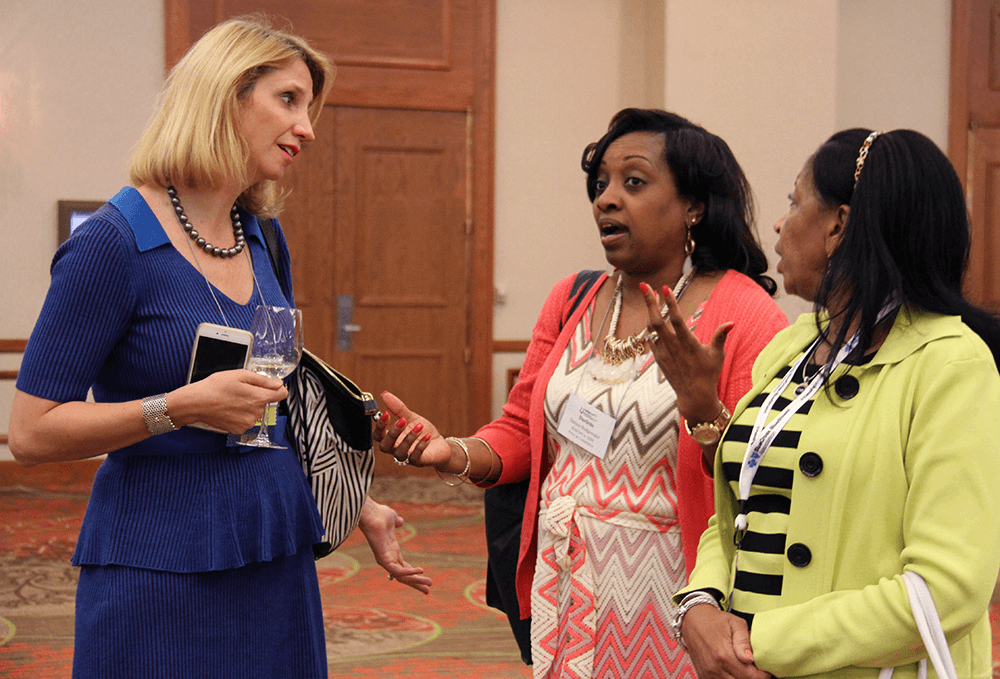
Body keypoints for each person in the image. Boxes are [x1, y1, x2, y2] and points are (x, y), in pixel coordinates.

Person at [8, 17, 429, 679]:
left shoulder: (262, 236)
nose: (307, 128)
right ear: (225, 96)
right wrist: (177, 407)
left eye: (309, 108)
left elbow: (274, 407)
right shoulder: (112, 244)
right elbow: (31, 433)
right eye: (288, 100)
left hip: (274, 542)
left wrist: (356, 502)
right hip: (159, 557)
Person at [373, 108, 788, 678]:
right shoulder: (573, 299)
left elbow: (761, 482)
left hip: (676, 599)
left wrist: (703, 412)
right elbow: (520, 431)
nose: (606, 199)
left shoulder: (744, 314)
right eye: (601, 184)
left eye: (633, 182)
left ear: (693, 204)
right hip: (565, 588)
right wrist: (452, 452)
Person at [670, 128, 1000, 679]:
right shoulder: (790, 348)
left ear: (839, 226)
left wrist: (763, 641)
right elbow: (742, 510)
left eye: (795, 201)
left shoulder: (950, 364)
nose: (779, 223)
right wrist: (699, 605)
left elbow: (948, 589)